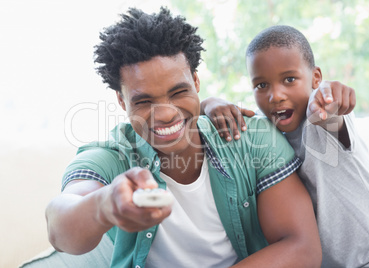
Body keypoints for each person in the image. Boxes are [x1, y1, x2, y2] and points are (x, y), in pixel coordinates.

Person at [45, 9, 322, 268]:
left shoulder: (252, 138)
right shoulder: (112, 156)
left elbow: (303, 248)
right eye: (144, 101)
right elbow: (60, 227)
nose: (165, 115)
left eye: (178, 93)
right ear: (121, 100)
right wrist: (105, 205)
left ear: (196, 82)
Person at [201, 25, 369, 267]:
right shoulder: (264, 136)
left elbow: (333, 110)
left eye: (289, 79)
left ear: (315, 77)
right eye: (262, 85)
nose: (276, 95)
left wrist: (330, 95)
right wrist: (210, 103)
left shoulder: (321, 118)